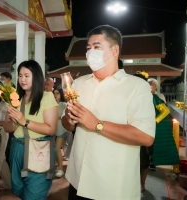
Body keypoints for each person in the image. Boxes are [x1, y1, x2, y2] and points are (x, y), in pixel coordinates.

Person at [61, 25, 155, 200]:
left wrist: (97, 124)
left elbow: (145, 136)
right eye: (88, 48)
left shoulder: (136, 86)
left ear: (115, 50)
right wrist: (68, 118)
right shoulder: (78, 84)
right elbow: (68, 125)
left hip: (112, 185)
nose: (90, 53)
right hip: (78, 179)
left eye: (97, 47)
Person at [3, 60, 58, 200]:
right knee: (19, 189)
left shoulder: (47, 97)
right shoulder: (15, 98)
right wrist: (15, 122)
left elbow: (51, 129)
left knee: (34, 195)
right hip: (16, 149)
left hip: (38, 149)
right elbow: (6, 127)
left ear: (37, 76)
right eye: (20, 76)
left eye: (26, 75)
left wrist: (24, 121)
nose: (22, 79)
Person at [134, 72, 179, 192]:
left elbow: (164, 111)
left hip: (144, 134)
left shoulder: (154, 98)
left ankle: (142, 184)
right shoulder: (128, 97)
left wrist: (154, 121)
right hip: (129, 134)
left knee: (144, 162)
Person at [53, 87, 68, 178]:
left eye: (57, 93)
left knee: (57, 148)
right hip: (53, 129)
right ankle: (57, 166)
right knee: (54, 148)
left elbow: (65, 116)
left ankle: (61, 168)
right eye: (54, 93)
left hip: (62, 128)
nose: (55, 95)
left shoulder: (64, 104)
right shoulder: (52, 104)